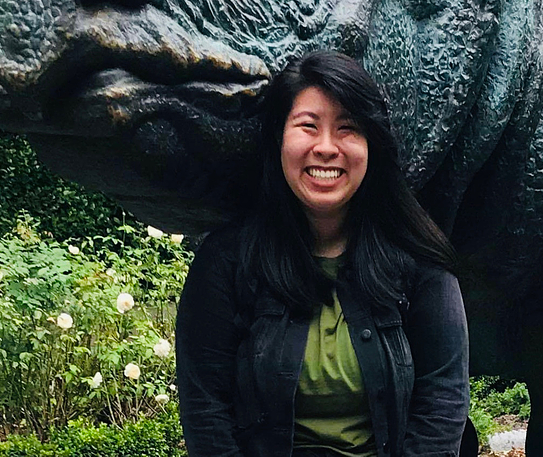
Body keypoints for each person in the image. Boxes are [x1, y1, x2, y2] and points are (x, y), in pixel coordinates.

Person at [175, 50, 473, 457]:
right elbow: (205, 410)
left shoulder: (419, 261)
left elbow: (443, 401)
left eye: (347, 128)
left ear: (372, 146)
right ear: (279, 138)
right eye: (308, 126)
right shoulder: (227, 261)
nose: (326, 148)